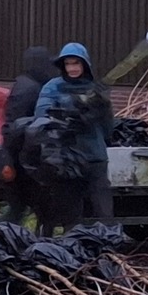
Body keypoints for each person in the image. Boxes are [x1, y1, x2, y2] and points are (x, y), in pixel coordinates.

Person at [31, 42, 117, 230]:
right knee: (71, 214)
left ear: (84, 64)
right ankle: (75, 248)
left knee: (104, 212)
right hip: (67, 159)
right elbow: (42, 118)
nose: (72, 68)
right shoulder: (52, 88)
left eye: (76, 63)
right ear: (62, 66)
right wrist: (69, 115)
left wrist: (102, 109)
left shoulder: (96, 89)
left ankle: (109, 249)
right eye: (68, 64)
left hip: (95, 157)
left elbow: (108, 127)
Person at [0, 46, 59, 229]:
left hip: (22, 159)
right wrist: (9, 160)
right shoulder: (29, 89)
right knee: (24, 209)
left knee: (25, 209)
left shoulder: (28, 85)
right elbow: (13, 127)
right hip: (23, 162)